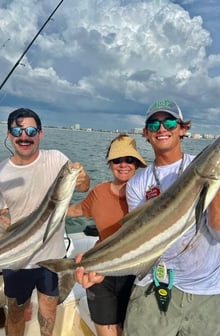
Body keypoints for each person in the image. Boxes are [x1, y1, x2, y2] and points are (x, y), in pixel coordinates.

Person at [0, 108, 90, 336]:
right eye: (17, 130)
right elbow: (2, 217)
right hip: (16, 257)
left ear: (40, 133)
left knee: (48, 310)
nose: (24, 136)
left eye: (30, 130)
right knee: (17, 312)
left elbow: (82, 187)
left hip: (52, 258)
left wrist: (83, 180)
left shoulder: (57, 159)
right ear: (9, 134)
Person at [123, 99, 220, 336]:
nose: (162, 128)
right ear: (146, 133)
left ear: (182, 129)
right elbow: (137, 239)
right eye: (154, 124)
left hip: (206, 291)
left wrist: (216, 178)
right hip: (153, 284)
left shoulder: (211, 170)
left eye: (169, 122)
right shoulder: (137, 183)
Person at [67, 134, 146, 336]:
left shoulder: (148, 193)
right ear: (110, 164)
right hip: (101, 269)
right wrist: (48, 205)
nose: (123, 164)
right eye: (117, 160)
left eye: (129, 159)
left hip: (134, 270)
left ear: (136, 163)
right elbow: (76, 210)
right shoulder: (99, 191)